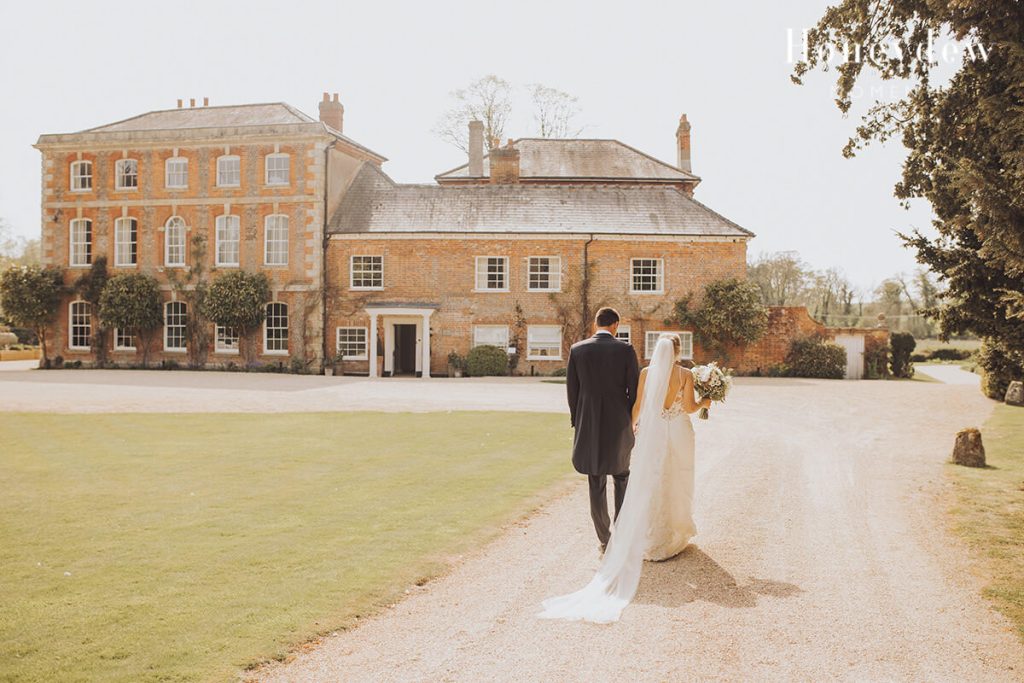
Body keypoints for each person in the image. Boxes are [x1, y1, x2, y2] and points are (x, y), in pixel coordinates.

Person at [539, 333, 711, 623]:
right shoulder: (685, 374)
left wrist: (630, 429)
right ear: (678, 352)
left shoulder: (647, 373)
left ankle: (647, 537)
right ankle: (672, 535)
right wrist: (707, 400)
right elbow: (691, 408)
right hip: (678, 434)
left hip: (654, 435)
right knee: (676, 479)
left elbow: (637, 407)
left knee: (650, 483)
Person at [565, 307, 640, 553]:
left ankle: (605, 539)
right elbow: (634, 390)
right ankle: (623, 531)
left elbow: (572, 392)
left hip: (589, 423)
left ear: (596, 324)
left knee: (595, 480)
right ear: (615, 325)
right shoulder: (626, 350)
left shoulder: (578, 350)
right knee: (621, 476)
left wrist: (579, 422)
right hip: (619, 423)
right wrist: (630, 421)